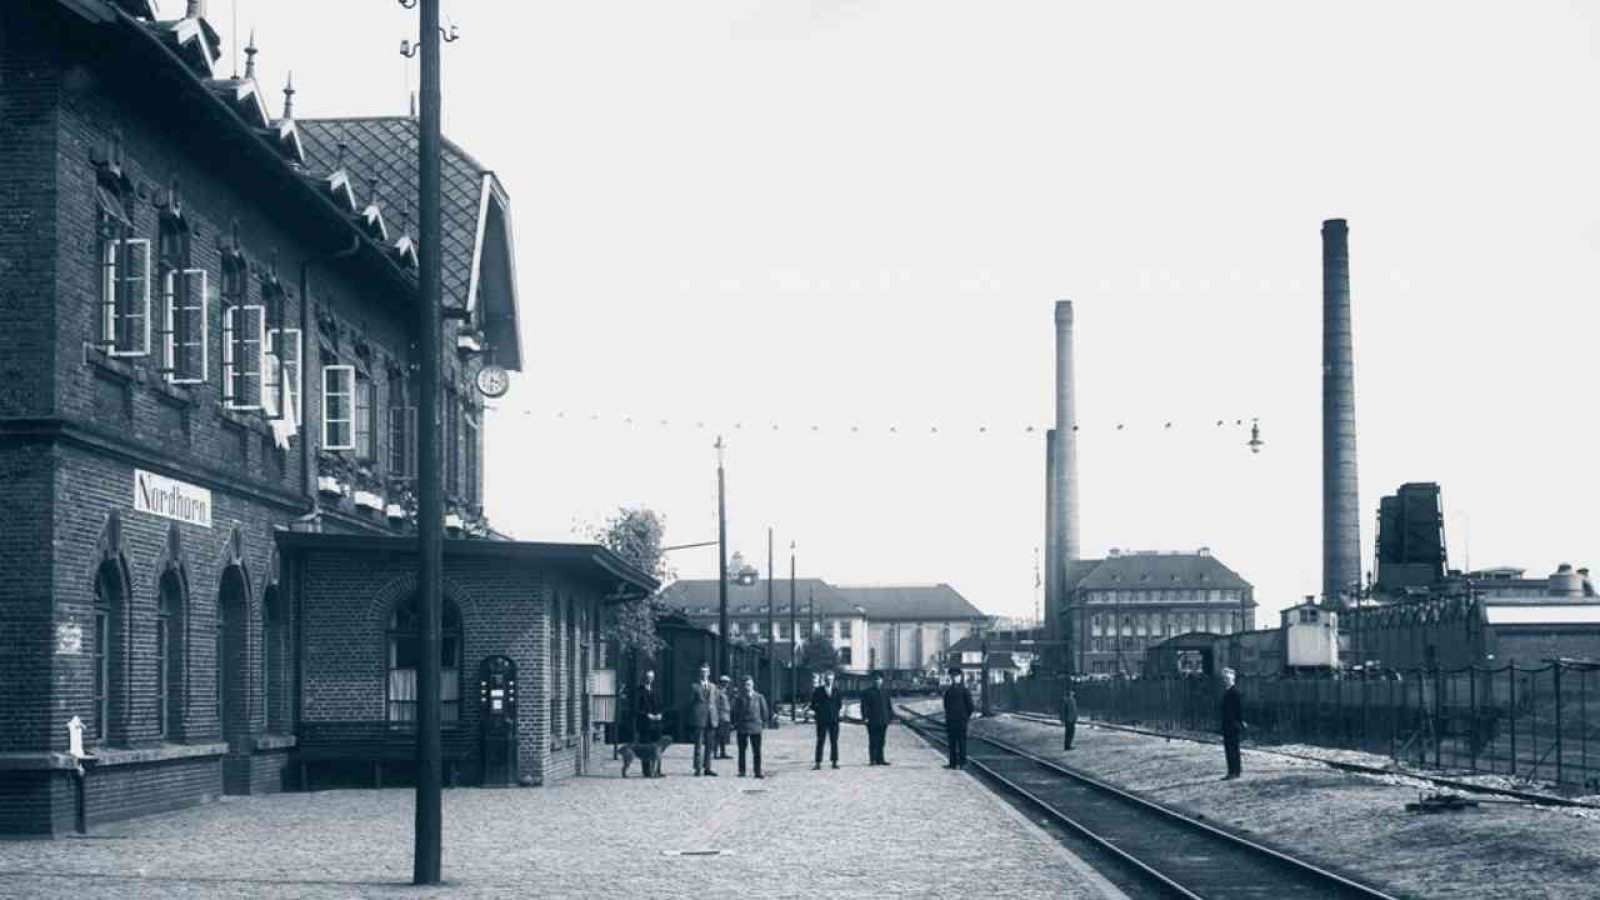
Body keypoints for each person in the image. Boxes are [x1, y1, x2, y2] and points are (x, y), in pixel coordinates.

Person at [687, 662, 722, 776]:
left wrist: (715, 716)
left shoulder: (713, 687)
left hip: (711, 718)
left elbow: (715, 701)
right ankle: (697, 768)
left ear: (709, 673)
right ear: (699, 673)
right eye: (702, 672)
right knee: (698, 744)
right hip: (699, 718)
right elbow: (690, 703)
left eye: (706, 672)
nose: (704, 674)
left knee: (709, 745)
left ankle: (708, 767)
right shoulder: (694, 687)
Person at [732, 675, 769, 778]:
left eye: (749, 684)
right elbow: (734, 711)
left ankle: (757, 771)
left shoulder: (759, 697)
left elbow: (764, 710)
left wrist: (764, 722)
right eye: (745, 685)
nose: (747, 686)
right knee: (742, 751)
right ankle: (742, 771)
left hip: (755, 726)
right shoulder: (739, 698)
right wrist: (735, 723)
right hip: (742, 726)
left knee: (756, 751)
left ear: (752, 685)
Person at [810, 669, 843, 770]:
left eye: (831, 679)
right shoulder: (818, 691)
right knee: (820, 741)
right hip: (822, 720)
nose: (830, 681)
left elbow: (839, 705)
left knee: (834, 741)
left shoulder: (837, 691)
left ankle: (834, 761)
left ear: (834, 680)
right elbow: (813, 705)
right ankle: (818, 762)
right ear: (825, 680)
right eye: (828, 679)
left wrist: (834, 712)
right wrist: (820, 711)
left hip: (834, 720)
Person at [942, 666, 974, 769]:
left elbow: (970, 706)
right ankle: (952, 763)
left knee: (961, 743)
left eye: (956, 676)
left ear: (960, 677)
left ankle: (962, 763)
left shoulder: (965, 691)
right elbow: (946, 706)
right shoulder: (948, 691)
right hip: (951, 721)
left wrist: (965, 717)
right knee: (951, 743)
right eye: (952, 676)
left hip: (961, 721)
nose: (954, 678)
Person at [860, 671, 895, 766]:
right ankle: (872, 760)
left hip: (884, 719)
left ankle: (881, 759)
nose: (877, 681)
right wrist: (865, 717)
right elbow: (864, 706)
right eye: (876, 679)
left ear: (882, 680)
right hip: (872, 720)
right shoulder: (867, 692)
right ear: (873, 680)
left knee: (882, 740)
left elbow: (888, 705)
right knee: (873, 740)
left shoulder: (885, 692)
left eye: (879, 679)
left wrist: (891, 716)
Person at [634, 669, 664, 777]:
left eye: (651, 677)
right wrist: (647, 715)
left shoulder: (656, 690)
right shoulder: (639, 691)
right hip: (645, 724)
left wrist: (660, 714)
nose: (649, 679)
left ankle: (657, 770)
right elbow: (636, 708)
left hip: (656, 724)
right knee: (646, 748)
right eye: (647, 677)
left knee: (657, 747)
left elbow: (660, 705)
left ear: (653, 678)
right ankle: (646, 771)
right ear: (644, 678)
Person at [1219, 667, 1244, 779]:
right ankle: (1234, 771)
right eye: (1224, 679)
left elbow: (1240, 709)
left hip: (1233, 725)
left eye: (1227, 679)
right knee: (1230, 749)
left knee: (1233, 749)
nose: (1225, 681)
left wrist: (1240, 722)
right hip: (1227, 725)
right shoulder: (1227, 692)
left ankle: (1234, 772)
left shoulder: (1235, 693)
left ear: (1232, 679)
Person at [715, 675, 734, 760]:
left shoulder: (724, 692)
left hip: (726, 716)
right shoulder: (717, 692)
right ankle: (715, 753)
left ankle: (723, 752)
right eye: (725, 682)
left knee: (723, 736)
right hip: (720, 716)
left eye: (727, 683)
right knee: (718, 735)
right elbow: (716, 704)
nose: (727, 684)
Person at [1061, 687, 1078, 751]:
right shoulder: (1066, 700)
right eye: (1071, 691)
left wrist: (1075, 717)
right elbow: (1063, 710)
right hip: (1068, 719)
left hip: (1072, 719)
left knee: (1071, 732)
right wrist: (1063, 719)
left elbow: (1075, 710)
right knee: (1068, 733)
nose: (1073, 693)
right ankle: (1067, 745)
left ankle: (1069, 745)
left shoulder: (1073, 699)